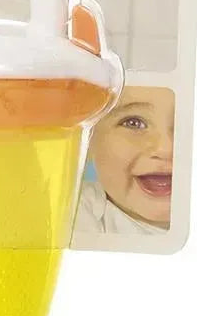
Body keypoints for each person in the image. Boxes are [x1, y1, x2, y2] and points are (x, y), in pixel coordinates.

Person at [72, 86, 174, 242]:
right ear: (87, 139)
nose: (165, 149)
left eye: (185, 125)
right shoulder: (77, 211)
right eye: (133, 123)